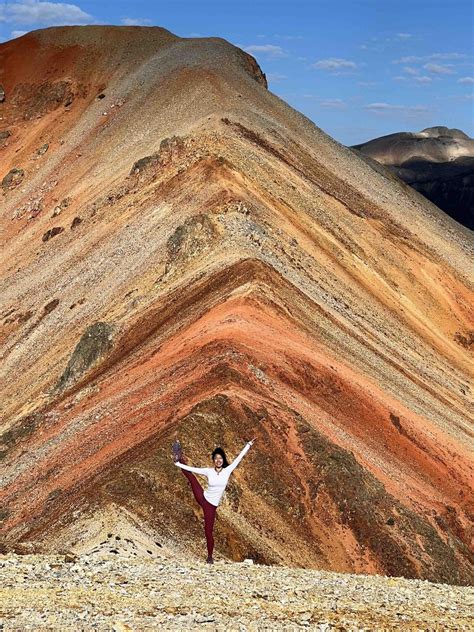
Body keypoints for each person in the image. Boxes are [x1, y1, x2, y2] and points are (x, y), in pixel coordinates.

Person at [172, 436, 255, 564]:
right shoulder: (208, 471)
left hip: (210, 506)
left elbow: (239, 458)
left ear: (223, 461)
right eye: (216, 459)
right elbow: (193, 469)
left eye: (220, 459)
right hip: (203, 497)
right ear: (214, 461)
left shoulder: (227, 471)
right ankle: (179, 457)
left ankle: (210, 557)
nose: (218, 460)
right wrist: (178, 464)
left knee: (208, 531)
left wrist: (248, 445)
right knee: (192, 478)